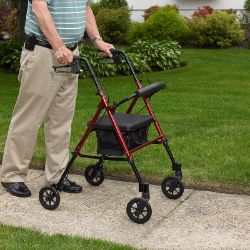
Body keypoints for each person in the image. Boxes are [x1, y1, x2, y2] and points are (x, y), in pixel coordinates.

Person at [0, 0, 114, 197]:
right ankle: (13, 175)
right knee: (29, 118)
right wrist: (59, 46)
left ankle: (57, 175)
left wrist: (97, 39)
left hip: (71, 55)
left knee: (61, 120)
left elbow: (84, 8)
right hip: (44, 52)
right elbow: (39, 8)